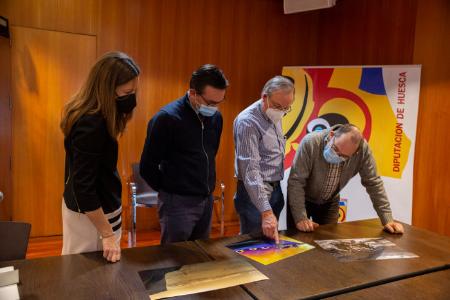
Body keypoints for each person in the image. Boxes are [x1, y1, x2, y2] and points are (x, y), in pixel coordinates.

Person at [60, 51, 140, 262]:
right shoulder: (91, 124)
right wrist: (107, 234)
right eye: (127, 92)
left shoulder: (99, 115)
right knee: (84, 275)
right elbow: (83, 186)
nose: (132, 98)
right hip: (92, 215)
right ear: (107, 88)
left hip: (98, 209)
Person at [140, 64, 228, 244]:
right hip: (177, 203)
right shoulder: (167, 118)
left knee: (200, 258)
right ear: (193, 93)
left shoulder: (216, 118)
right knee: (174, 260)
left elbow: (211, 154)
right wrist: (170, 190)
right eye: (210, 103)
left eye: (219, 102)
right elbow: (147, 166)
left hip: (206, 199)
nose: (214, 108)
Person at [287, 124, 404, 234]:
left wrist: (387, 219)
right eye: (335, 148)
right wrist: (300, 217)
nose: (337, 155)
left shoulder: (362, 151)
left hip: (329, 201)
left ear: (355, 152)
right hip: (301, 198)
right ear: (331, 135)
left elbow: (373, 183)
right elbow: (296, 182)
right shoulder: (311, 142)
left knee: (328, 243)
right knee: (298, 241)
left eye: (344, 156)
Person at [234, 76, 295, 243]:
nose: (281, 111)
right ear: (264, 97)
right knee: (254, 247)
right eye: (277, 106)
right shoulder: (248, 122)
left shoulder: (275, 112)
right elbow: (250, 170)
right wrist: (266, 212)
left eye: (286, 108)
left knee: (271, 244)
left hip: (275, 187)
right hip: (254, 193)